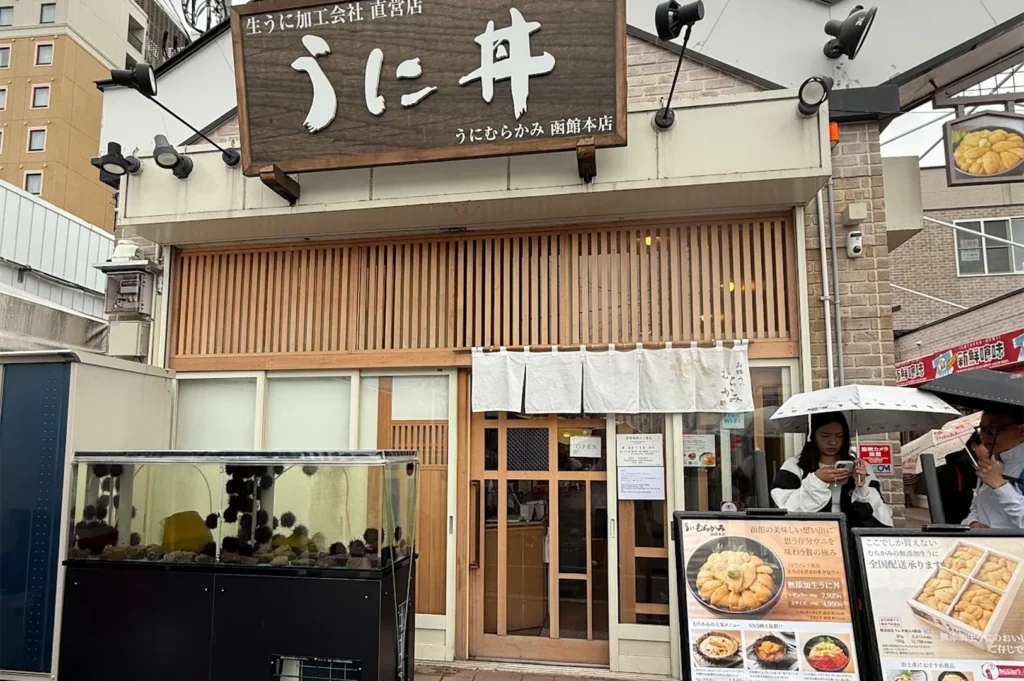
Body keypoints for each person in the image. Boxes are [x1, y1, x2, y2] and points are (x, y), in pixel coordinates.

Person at [771, 411, 893, 527]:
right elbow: (785, 508)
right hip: (812, 538)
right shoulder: (794, 466)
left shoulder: (860, 466)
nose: (833, 442)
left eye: (839, 436)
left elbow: (880, 514)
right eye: (825, 436)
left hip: (850, 537)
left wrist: (862, 486)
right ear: (812, 436)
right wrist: (817, 481)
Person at [964, 409, 1024, 529]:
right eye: (982, 429)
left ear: (1021, 431)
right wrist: (972, 523)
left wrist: (1000, 486)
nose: (985, 436)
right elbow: (977, 505)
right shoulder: (993, 464)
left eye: (993, 429)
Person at [937, 433, 982, 525]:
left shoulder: (993, 467)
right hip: (961, 522)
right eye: (985, 444)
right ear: (974, 446)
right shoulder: (955, 469)